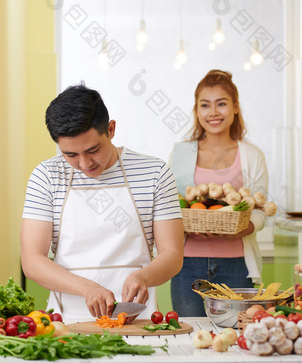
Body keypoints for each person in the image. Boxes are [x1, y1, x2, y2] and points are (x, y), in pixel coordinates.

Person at [21, 85, 184, 322]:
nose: (85, 163)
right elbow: (32, 260)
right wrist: (87, 288)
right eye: (71, 155)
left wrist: (144, 277)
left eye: (93, 149)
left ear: (111, 129)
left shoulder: (155, 172)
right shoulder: (46, 176)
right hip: (66, 323)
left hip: (137, 319)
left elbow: (172, 254)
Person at [169, 70, 268, 316]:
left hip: (236, 266)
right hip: (187, 264)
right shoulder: (180, 155)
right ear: (197, 111)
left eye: (221, 104)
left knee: (236, 339)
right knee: (193, 338)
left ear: (235, 107)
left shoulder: (251, 155)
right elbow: (170, 206)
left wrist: (243, 227)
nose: (213, 112)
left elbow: (261, 209)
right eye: (205, 105)